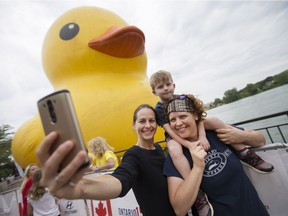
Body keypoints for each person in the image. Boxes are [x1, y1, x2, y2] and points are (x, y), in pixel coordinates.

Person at [150, 70, 274, 216]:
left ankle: (244, 152)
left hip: (254, 209)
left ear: (174, 85)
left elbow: (260, 139)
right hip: (173, 137)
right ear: (154, 92)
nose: (165, 88)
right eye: (160, 87)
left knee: (214, 121)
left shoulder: (182, 99)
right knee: (174, 149)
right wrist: (190, 146)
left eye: (168, 84)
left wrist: (208, 136)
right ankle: (198, 195)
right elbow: (170, 130)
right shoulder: (158, 109)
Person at [36, 104, 176, 216]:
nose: (147, 125)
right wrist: (83, 187)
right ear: (133, 124)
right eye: (142, 121)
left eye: (151, 120)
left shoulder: (158, 148)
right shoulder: (133, 155)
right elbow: (120, 178)